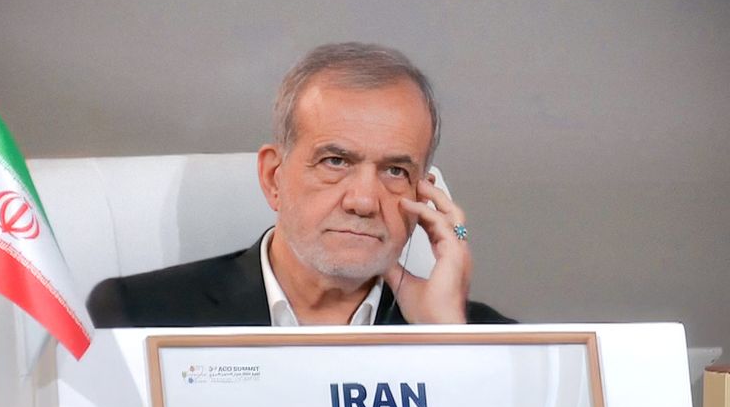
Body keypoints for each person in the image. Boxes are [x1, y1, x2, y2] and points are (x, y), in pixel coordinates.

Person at [87, 42, 513, 327]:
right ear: (274, 177)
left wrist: (449, 342)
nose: (364, 201)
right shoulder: (140, 314)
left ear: (424, 193)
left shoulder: (480, 338)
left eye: (395, 172)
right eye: (335, 161)